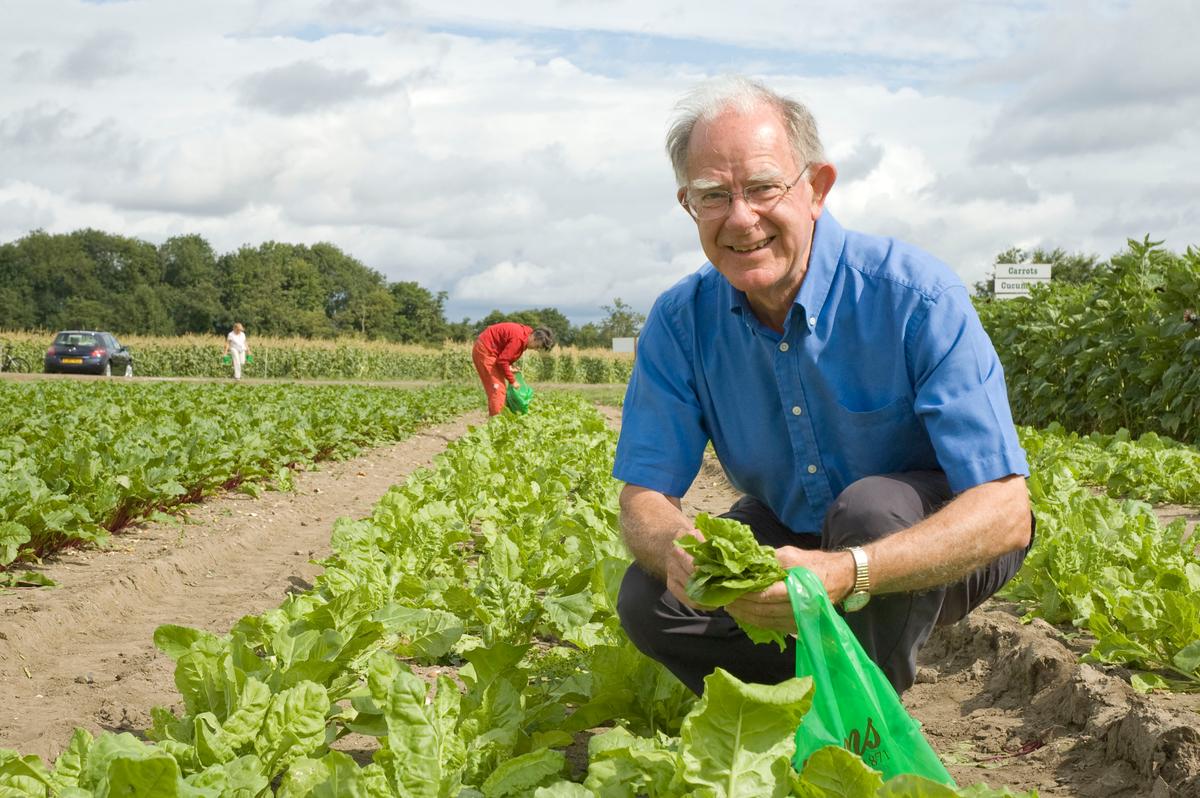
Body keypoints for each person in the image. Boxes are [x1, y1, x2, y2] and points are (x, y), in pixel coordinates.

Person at [612, 76, 1033, 697]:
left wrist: (850, 572)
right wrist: (678, 547)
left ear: (816, 188)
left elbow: (1006, 513)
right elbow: (643, 496)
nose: (741, 217)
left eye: (762, 188)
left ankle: (859, 725)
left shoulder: (915, 296)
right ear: (688, 205)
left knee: (870, 510)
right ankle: (803, 695)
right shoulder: (681, 322)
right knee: (650, 597)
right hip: (794, 523)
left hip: (921, 531)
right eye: (712, 195)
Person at [472, 323, 555, 416]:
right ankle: (496, 422)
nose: (536, 349)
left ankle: (501, 416)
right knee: (498, 389)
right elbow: (502, 361)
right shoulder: (519, 339)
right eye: (537, 346)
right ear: (534, 338)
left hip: (491, 351)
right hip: (485, 351)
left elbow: (505, 355)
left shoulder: (525, 335)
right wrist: (512, 381)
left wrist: (510, 367)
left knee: (500, 390)